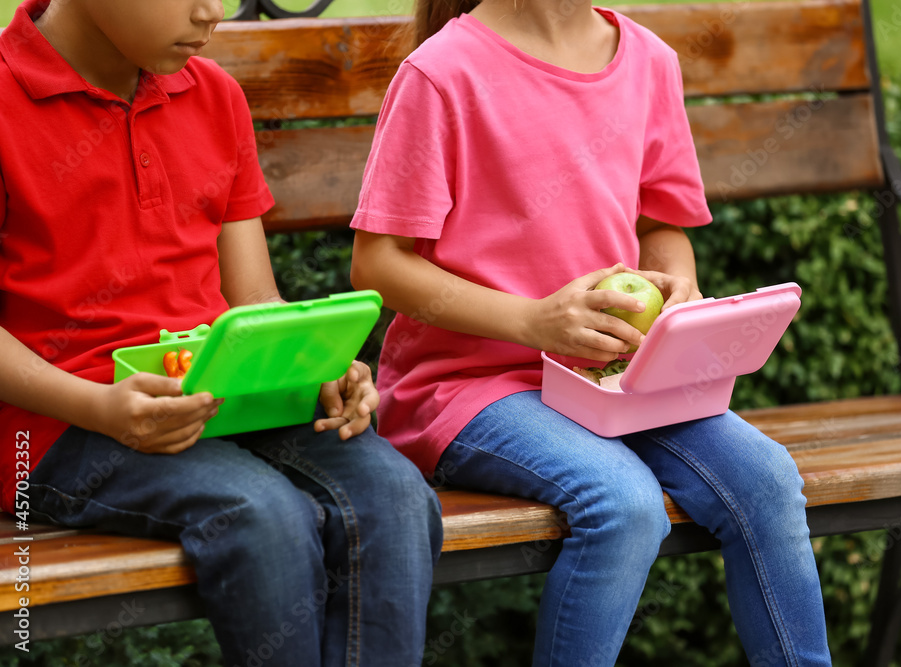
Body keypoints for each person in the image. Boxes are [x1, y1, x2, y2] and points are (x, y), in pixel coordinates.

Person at [349, 0, 833, 664]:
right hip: (468, 388)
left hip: (613, 379)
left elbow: (662, 224)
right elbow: (377, 263)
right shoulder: (442, 73)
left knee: (768, 480)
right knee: (624, 504)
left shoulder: (648, 61)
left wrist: (676, 288)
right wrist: (532, 321)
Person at [0, 1, 442, 665]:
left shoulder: (213, 96)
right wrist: (97, 405)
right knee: (259, 513)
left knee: (397, 496)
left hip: (224, 400)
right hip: (58, 425)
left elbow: (255, 298)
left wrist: (312, 361)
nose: (214, 13)